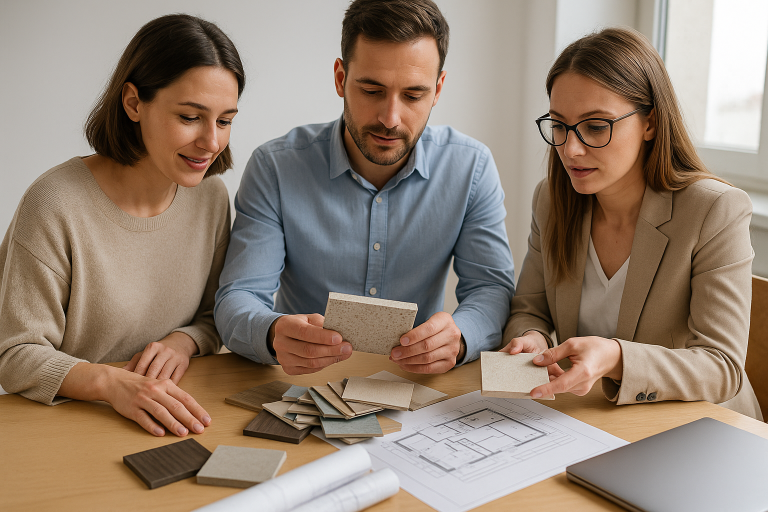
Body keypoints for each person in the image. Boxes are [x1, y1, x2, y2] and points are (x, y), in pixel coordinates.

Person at [215, 0, 515, 376]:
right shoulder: (275, 167)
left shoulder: (471, 168)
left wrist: (461, 336)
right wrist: (272, 332)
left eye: (413, 95)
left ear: (438, 89)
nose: (390, 118)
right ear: (340, 78)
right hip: (303, 385)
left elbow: (492, 289)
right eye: (372, 91)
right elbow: (237, 298)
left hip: (417, 388)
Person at [0, 14, 246, 435]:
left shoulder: (210, 197)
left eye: (224, 121)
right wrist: (111, 383)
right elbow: (15, 353)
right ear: (133, 103)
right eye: (190, 117)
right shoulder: (55, 203)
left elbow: (213, 315)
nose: (211, 142)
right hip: (70, 424)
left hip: (169, 416)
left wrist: (184, 341)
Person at [501, 27, 762, 420]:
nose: (571, 148)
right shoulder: (553, 200)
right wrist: (532, 339)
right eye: (558, 125)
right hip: (594, 419)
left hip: (702, 429)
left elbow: (722, 367)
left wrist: (618, 358)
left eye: (596, 126)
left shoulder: (715, 210)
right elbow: (529, 308)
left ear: (650, 124)